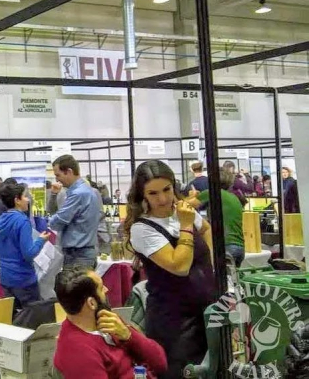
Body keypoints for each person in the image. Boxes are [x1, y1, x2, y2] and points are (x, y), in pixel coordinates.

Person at [125, 160, 214, 379]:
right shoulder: (142, 229)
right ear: (142, 195)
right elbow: (180, 266)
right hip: (175, 324)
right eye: (153, 193)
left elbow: (206, 229)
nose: (163, 199)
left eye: (167, 190)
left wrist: (208, 268)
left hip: (207, 313)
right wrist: (186, 225)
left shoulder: (182, 212)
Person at [53, 267, 168, 379]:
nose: (107, 289)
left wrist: (128, 335)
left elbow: (160, 363)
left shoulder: (108, 319)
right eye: (101, 288)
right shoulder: (78, 352)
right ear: (91, 303)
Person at [0, 182, 50, 311]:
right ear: (17, 200)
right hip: (23, 279)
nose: (28, 200)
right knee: (32, 317)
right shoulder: (22, 221)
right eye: (25, 196)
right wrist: (41, 240)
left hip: (6, 279)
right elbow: (29, 254)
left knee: (14, 317)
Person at [49, 155, 102, 269]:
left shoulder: (77, 194)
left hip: (78, 256)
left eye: (58, 175)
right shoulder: (86, 191)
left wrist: (51, 220)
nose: (57, 180)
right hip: (83, 253)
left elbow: (56, 222)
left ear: (69, 171)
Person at [187, 170, 245, 267]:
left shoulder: (212, 193)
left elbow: (185, 206)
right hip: (239, 247)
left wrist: (191, 196)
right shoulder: (234, 198)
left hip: (225, 246)